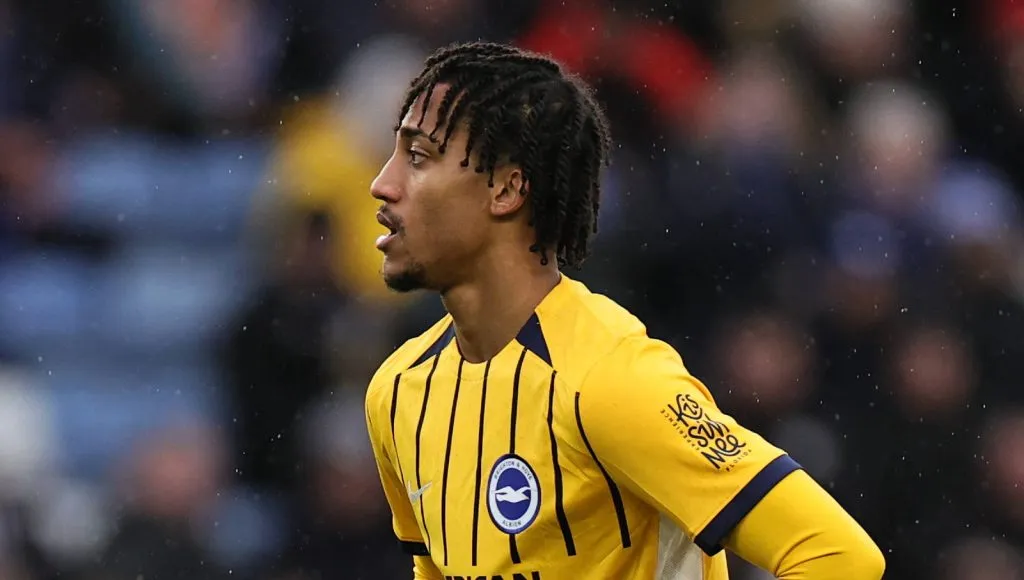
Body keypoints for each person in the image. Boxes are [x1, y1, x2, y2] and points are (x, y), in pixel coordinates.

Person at [364, 41, 885, 580]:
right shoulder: (397, 392)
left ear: (506, 189)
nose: (383, 184)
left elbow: (837, 556)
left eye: (418, 157)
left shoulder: (610, 381)